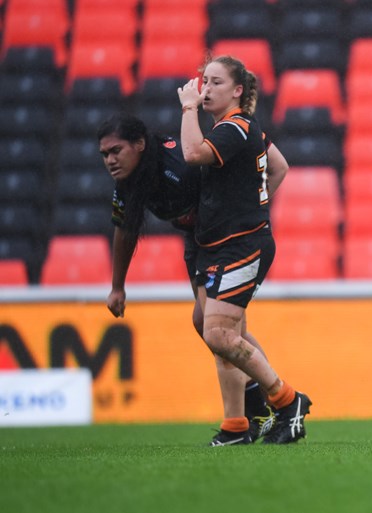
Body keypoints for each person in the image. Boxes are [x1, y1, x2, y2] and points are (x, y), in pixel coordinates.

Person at [99, 112, 290, 443]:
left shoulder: (180, 163)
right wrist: (118, 286)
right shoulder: (128, 184)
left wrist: (248, 217)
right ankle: (262, 407)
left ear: (140, 145)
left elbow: (256, 172)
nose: (110, 160)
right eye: (105, 154)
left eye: (116, 150)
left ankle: (265, 410)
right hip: (199, 242)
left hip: (225, 241)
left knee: (219, 331)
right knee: (210, 326)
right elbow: (125, 230)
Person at [178, 54, 312, 446]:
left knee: (219, 334)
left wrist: (188, 107)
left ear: (237, 91)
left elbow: (191, 153)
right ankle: (241, 422)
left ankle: (287, 401)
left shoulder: (235, 128)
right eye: (204, 82)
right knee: (210, 326)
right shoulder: (238, 128)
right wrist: (256, 201)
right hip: (219, 244)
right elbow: (279, 167)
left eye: (215, 83)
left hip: (241, 244)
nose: (205, 90)